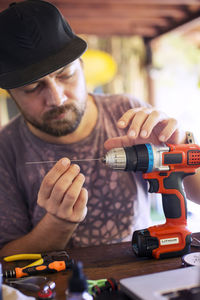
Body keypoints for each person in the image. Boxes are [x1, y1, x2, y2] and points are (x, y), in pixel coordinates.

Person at [0, 0, 199, 256]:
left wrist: (179, 147)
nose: (57, 98)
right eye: (32, 88)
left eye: (65, 75)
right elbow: (6, 258)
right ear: (11, 93)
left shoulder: (128, 111)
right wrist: (58, 224)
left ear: (82, 66)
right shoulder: (5, 150)